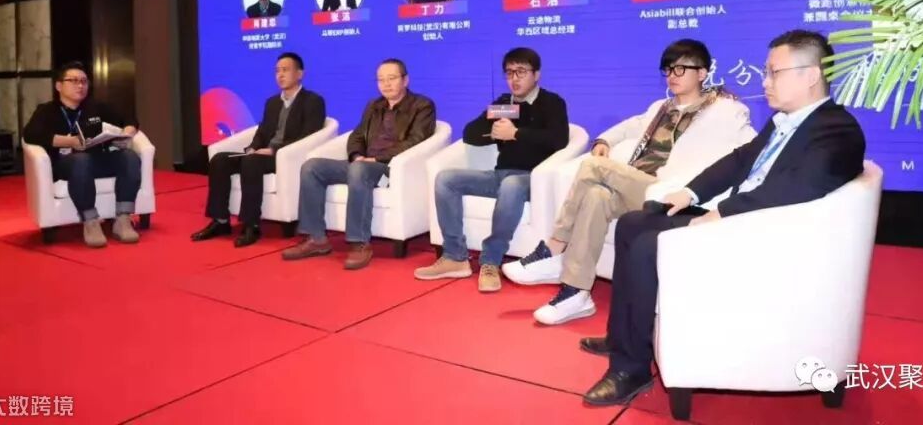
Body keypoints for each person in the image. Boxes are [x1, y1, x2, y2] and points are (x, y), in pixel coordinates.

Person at [580, 30, 866, 407]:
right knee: (635, 223)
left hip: (764, 236)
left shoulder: (837, 129)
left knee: (649, 244)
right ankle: (624, 337)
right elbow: (740, 160)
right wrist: (690, 193)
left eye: (774, 72)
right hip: (743, 219)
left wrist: (721, 213)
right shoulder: (787, 121)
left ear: (811, 75)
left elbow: (798, 189)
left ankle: (630, 369)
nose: (764, 82)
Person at [502, 40, 754, 325]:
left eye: (681, 68)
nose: (672, 75)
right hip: (641, 187)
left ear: (703, 73)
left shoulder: (724, 110)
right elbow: (629, 127)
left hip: (672, 191)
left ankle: (554, 247)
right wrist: (603, 140)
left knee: (593, 166)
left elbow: (748, 145)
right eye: (668, 69)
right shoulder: (661, 107)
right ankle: (576, 293)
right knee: (596, 196)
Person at [414, 47, 569, 292]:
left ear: (536, 74)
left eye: (521, 72)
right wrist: (493, 129)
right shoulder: (505, 105)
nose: (514, 79)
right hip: (499, 175)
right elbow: (470, 134)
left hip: (531, 179)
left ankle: (490, 261)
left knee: (511, 184)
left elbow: (559, 140)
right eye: (509, 72)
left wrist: (516, 133)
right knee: (446, 178)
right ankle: (455, 256)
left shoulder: (551, 103)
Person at [282, 59, 436, 270]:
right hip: (362, 166)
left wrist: (377, 159)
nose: (386, 84)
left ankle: (359, 242)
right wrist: (356, 155)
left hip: (389, 173)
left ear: (405, 80)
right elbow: (356, 136)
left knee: (359, 170)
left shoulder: (422, 106)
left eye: (391, 78)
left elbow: (415, 141)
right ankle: (315, 238)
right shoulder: (374, 106)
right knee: (312, 167)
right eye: (381, 80)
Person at [191, 52, 325, 247]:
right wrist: (253, 147)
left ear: (299, 74)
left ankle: (251, 224)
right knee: (220, 159)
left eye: (285, 70)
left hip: (286, 156)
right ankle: (220, 220)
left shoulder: (313, 101)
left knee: (251, 161)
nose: (280, 75)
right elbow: (262, 132)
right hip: (262, 154)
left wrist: (273, 150)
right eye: (277, 71)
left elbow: (308, 136)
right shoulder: (272, 102)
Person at [22, 61, 142, 248]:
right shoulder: (47, 110)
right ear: (59, 86)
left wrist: (127, 132)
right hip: (66, 164)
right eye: (74, 81)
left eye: (84, 81)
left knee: (130, 157)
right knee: (81, 160)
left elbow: (129, 118)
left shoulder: (96, 107)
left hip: (97, 159)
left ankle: (123, 218)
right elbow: (30, 134)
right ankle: (90, 221)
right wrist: (68, 141)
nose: (80, 85)